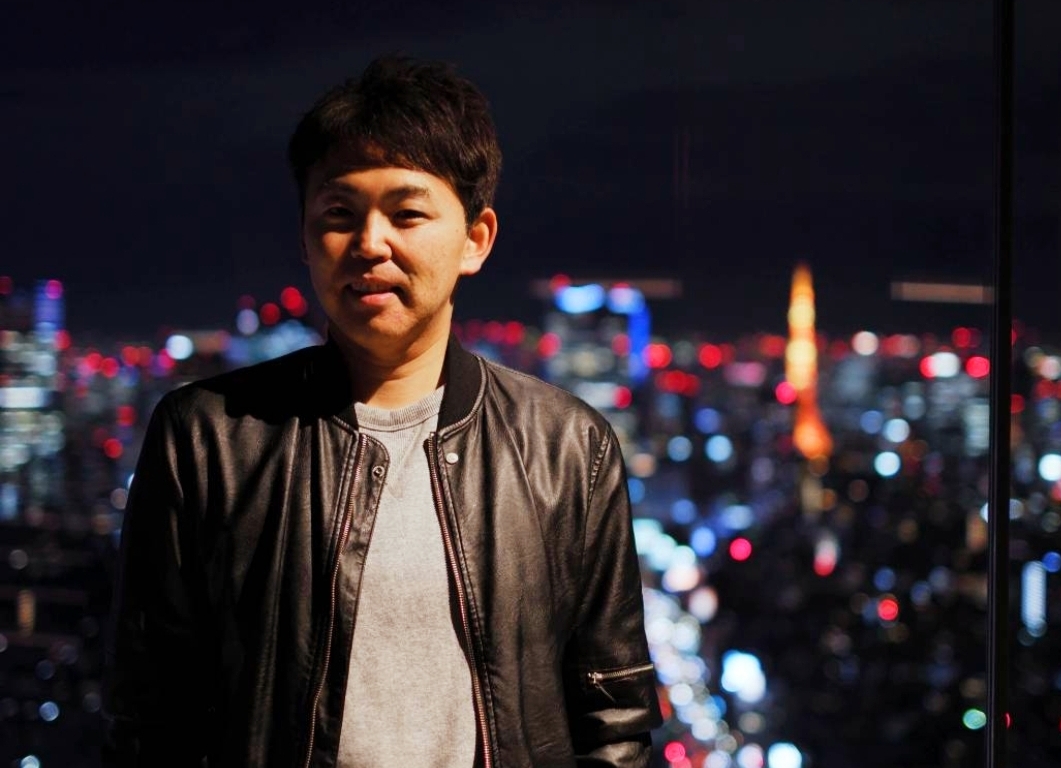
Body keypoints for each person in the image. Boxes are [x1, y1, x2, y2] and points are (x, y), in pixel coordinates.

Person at [103, 55, 662, 768]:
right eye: (339, 214)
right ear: (306, 238)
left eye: (407, 214)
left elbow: (612, 719)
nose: (370, 243)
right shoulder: (209, 437)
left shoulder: (567, 447)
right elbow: (152, 714)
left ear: (475, 239)